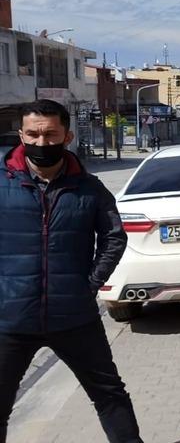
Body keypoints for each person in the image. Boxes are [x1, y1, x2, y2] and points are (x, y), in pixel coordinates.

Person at [0, 100, 142, 443]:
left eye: (50, 134)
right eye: (33, 134)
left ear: (67, 135)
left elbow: (113, 237)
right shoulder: (3, 183)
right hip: (11, 320)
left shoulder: (89, 188)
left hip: (74, 318)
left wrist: (89, 284)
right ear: (21, 135)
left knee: (110, 395)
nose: (42, 142)